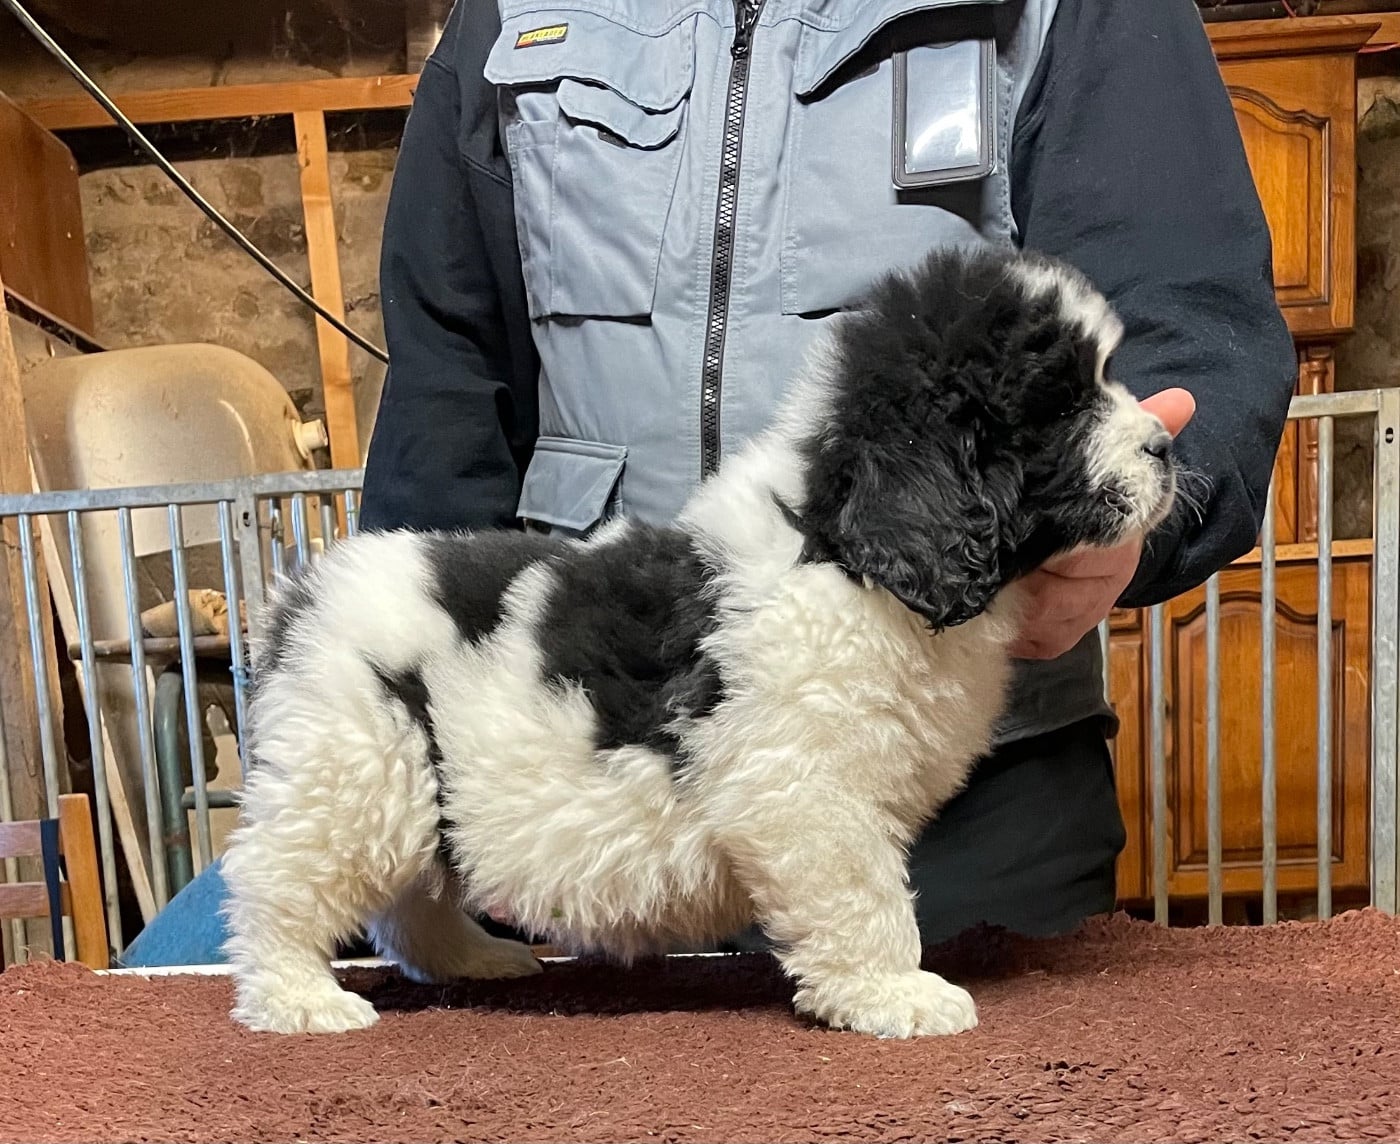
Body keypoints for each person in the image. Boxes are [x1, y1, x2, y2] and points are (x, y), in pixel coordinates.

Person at [118, 0, 1295, 967]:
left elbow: (1192, 328)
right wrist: (416, 749)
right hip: (588, 777)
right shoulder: (504, 13)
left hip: (964, 801)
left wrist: (1132, 519)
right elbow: (448, 390)